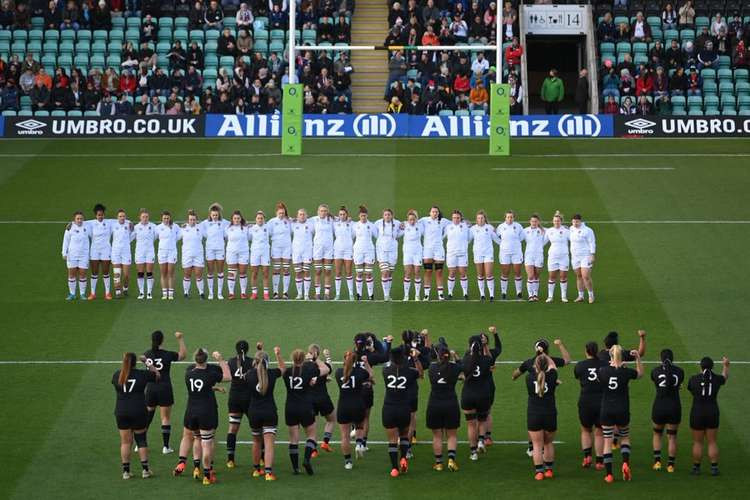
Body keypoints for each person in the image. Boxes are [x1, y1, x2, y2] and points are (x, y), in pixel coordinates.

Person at [173, 348, 231, 486]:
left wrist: (215, 388)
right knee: (207, 443)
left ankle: (195, 467)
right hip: (206, 412)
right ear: (206, 359)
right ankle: (207, 474)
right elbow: (228, 377)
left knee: (195, 438)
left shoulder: (188, 373)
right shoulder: (210, 374)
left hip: (191, 411)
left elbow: (201, 386)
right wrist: (220, 359)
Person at [599, 344, 643, 483]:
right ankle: (625, 463)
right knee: (624, 437)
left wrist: (613, 365)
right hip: (622, 409)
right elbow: (640, 374)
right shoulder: (626, 372)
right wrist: (637, 359)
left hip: (607, 409)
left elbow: (602, 378)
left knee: (607, 441)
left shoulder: (603, 371)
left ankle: (609, 475)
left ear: (610, 356)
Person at [281, 347, 329, 475]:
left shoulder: (287, 372)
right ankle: (307, 460)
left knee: (293, 439)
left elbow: (281, 369)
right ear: (303, 358)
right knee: (311, 436)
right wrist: (314, 358)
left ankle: (296, 469)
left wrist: (278, 355)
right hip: (305, 407)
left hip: (290, 408)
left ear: (293, 359)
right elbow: (326, 369)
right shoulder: (309, 369)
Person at [112, 352, 160, 479]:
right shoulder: (141, 374)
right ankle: (145, 470)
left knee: (125, 442)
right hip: (138, 410)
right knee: (141, 440)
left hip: (121, 411)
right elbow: (157, 375)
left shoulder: (117, 375)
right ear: (135, 363)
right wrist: (147, 362)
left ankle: (126, 472)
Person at [144, 330, 187, 454]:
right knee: (165, 418)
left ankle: (140, 443)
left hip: (151, 388)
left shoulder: (146, 354)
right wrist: (180, 339)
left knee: (148, 414)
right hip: (164, 388)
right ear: (162, 340)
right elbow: (183, 355)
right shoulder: (167, 354)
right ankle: (166, 447)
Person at [382, 345, 423, 477]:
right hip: (404, 408)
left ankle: (394, 469)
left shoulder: (385, 371)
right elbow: (420, 373)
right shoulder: (409, 372)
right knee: (404, 435)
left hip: (389, 408)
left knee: (392, 439)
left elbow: (388, 365)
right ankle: (403, 457)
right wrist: (415, 359)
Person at [462, 328, 502, 460]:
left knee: (471, 424)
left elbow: (461, 372)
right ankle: (481, 441)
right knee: (482, 419)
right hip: (483, 395)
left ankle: (473, 453)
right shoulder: (487, 360)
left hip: (468, 395)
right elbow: (492, 358)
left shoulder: (466, 359)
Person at [247, 345, 284, 480]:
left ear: (255, 362)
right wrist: (278, 355)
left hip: (254, 412)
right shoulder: (272, 374)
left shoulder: (249, 375)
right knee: (268, 443)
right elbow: (283, 369)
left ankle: (256, 470)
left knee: (256, 441)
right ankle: (268, 472)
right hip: (269, 411)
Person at [688, 356, 729, 476]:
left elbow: (691, 389)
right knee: (712, 442)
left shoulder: (694, 379)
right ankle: (714, 468)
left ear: (701, 367)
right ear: (712, 367)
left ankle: (696, 468)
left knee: (697, 442)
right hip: (712, 412)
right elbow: (724, 378)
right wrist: (726, 366)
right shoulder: (716, 379)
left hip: (697, 412)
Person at [426, 338, 462, 472]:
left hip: (434, 404)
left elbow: (431, 361)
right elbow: (462, 365)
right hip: (450, 403)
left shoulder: (432, 368)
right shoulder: (454, 368)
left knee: (437, 436)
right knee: (451, 435)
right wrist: (455, 356)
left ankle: (439, 463)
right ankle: (451, 460)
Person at [335, 350, 373, 469]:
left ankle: (348, 462)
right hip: (357, 404)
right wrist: (366, 363)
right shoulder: (360, 372)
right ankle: (359, 444)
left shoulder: (338, 372)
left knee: (344, 436)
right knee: (360, 426)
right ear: (355, 361)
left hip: (343, 406)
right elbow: (370, 375)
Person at [526, 351, 560, 480]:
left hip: (534, 414)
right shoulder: (552, 376)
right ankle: (549, 470)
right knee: (548, 443)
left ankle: (539, 472)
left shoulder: (529, 378)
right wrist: (545, 355)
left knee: (537, 445)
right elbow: (553, 366)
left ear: (536, 365)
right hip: (550, 413)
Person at [651, 349, 685, 472]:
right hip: (674, 407)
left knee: (657, 434)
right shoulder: (680, 372)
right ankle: (670, 465)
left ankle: (657, 462)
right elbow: (678, 384)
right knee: (672, 437)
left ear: (660, 358)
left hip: (659, 406)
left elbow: (657, 382)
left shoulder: (655, 371)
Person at [574, 342, 607, 470]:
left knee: (586, 430)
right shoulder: (604, 364)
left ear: (586, 351)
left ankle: (587, 457)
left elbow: (578, 377)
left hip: (585, 401)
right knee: (599, 432)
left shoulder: (580, 366)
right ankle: (599, 461)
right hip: (601, 402)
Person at [225, 340, 252, 468]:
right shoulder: (252, 362)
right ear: (247, 350)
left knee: (232, 428)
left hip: (234, 398)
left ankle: (230, 460)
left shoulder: (230, 362)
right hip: (249, 399)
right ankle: (262, 459)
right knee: (257, 429)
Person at [307, 345, 336, 456]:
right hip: (323, 398)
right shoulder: (323, 366)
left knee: (312, 425)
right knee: (331, 419)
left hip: (310, 400)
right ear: (318, 354)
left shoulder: (305, 366)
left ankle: (313, 450)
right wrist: (328, 356)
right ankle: (325, 442)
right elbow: (330, 368)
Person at [419, 206, 450, 300]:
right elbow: (413, 221)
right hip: (427, 249)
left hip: (439, 249)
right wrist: (403, 224)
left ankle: (440, 294)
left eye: (436, 212)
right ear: (429, 213)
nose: (435, 213)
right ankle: (426, 294)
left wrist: (466, 222)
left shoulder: (443, 221)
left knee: (439, 271)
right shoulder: (424, 220)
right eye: (433, 211)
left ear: (438, 213)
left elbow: (454, 223)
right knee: (428, 271)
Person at [199, 204, 229, 300]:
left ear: (219, 214)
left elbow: (235, 223)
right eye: (213, 215)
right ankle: (211, 293)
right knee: (210, 272)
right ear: (210, 215)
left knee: (220, 271)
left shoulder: (224, 222)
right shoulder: (205, 223)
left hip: (220, 249)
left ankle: (219, 293)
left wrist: (246, 224)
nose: (215, 216)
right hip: (209, 249)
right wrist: (185, 225)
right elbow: (195, 226)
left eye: (216, 215)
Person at [86, 204, 114, 300]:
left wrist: (129, 223)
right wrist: (71, 224)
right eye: (98, 215)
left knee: (106, 272)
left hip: (106, 249)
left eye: (102, 215)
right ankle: (92, 293)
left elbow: (122, 221)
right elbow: (79, 222)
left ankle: (107, 293)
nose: (100, 216)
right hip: (94, 250)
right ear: (95, 215)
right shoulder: (90, 223)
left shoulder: (109, 222)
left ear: (104, 214)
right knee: (94, 272)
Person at [470, 210, 499, 301]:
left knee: (489, 274)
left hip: (488, 254)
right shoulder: (473, 229)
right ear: (476, 219)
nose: (480, 219)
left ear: (485, 219)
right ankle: (482, 294)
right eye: (478, 218)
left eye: (482, 218)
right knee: (480, 274)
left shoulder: (490, 228)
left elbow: (497, 239)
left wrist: (506, 244)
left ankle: (491, 295)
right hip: (477, 253)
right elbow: (467, 240)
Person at [374, 208, 403, 301]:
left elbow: (401, 231)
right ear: (383, 216)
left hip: (393, 251)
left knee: (390, 273)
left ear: (392, 215)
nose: (387, 216)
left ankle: (388, 294)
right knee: (385, 272)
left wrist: (404, 226)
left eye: (389, 214)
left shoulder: (397, 223)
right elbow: (374, 233)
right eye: (385, 214)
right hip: (382, 251)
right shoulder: (378, 223)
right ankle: (386, 295)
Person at [496, 210, 525, 300]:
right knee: (505, 273)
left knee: (517, 272)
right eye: (508, 217)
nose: (509, 219)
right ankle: (504, 292)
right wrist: (503, 245)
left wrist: (515, 244)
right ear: (505, 218)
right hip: (504, 253)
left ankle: (519, 292)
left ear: (514, 218)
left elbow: (522, 237)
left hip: (516, 252)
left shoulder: (518, 226)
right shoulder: (501, 227)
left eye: (511, 217)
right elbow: (497, 237)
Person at [62, 211, 91, 300]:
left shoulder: (88, 226)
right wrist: (64, 252)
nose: (79, 220)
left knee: (83, 274)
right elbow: (65, 241)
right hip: (72, 255)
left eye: (81, 218)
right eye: (77, 219)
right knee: (71, 274)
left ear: (83, 219)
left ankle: (82, 294)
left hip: (84, 255)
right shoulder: (70, 228)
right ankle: (72, 294)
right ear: (74, 220)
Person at [444, 210, 472, 300]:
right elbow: (441, 237)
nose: (456, 219)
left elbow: (470, 237)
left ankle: (465, 293)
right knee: (452, 273)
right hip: (451, 254)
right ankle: (450, 293)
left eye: (458, 218)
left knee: (463, 273)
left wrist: (465, 245)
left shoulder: (466, 226)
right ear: (452, 218)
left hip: (462, 254)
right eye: (454, 218)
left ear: (461, 218)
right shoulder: (448, 227)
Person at [310, 204, 336, 300]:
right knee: (317, 271)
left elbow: (342, 220)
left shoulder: (332, 220)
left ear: (327, 212)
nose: (323, 212)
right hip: (317, 249)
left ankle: (327, 293)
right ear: (318, 211)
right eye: (321, 210)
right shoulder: (313, 220)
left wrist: (348, 219)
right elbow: (302, 221)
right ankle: (317, 294)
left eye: (325, 211)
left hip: (329, 248)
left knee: (328, 271)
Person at [267, 202, 292, 299]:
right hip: (276, 247)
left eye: (283, 213)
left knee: (286, 269)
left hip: (287, 247)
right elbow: (266, 234)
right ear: (276, 213)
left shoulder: (289, 221)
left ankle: (285, 292)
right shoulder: (272, 222)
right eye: (280, 213)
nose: (281, 215)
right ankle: (275, 292)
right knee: (276, 269)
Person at [352, 205, 378, 300]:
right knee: (359, 273)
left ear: (367, 216)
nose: (363, 217)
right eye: (362, 215)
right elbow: (350, 237)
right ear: (359, 216)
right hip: (358, 251)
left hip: (369, 251)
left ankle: (371, 294)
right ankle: (359, 294)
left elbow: (377, 237)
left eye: (365, 215)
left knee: (368, 273)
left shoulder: (371, 225)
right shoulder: (355, 225)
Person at [156, 211, 182, 300]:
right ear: (161, 219)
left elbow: (179, 236)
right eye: (164, 218)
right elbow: (154, 237)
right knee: (163, 273)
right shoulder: (158, 228)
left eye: (167, 218)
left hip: (172, 252)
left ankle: (170, 294)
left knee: (171, 273)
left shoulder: (175, 226)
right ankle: (164, 293)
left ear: (170, 218)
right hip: (162, 252)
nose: (166, 220)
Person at [224, 210, 250, 300]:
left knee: (242, 272)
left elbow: (250, 237)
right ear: (232, 219)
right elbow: (224, 237)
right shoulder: (227, 228)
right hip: (231, 252)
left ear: (241, 219)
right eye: (235, 218)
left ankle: (243, 292)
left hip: (244, 252)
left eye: (238, 218)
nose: (236, 220)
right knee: (231, 272)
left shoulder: (246, 228)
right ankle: (231, 293)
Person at [181, 210, 206, 299]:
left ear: (196, 220)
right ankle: (186, 293)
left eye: (194, 219)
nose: (192, 221)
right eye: (191, 219)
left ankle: (201, 293)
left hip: (198, 255)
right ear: (188, 220)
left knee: (199, 274)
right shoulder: (183, 229)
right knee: (187, 275)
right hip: (186, 255)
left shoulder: (201, 228)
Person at [546, 211, 570, 302]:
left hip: (564, 257)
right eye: (555, 221)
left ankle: (563, 296)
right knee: (552, 276)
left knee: (563, 276)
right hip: (552, 257)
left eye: (558, 221)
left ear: (561, 221)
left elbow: (574, 240)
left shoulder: (566, 231)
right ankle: (550, 296)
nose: (556, 222)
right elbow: (543, 241)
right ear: (553, 221)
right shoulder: (549, 231)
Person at [333, 206, 356, 300]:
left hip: (348, 250)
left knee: (349, 272)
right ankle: (337, 294)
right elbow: (328, 216)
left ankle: (351, 294)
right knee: (338, 272)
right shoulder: (334, 223)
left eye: (344, 214)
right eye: (340, 214)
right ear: (338, 215)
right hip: (337, 250)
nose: (342, 216)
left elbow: (354, 235)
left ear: (347, 215)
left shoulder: (352, 224)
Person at [523, 214, 547, 302]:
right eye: (532, 221)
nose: (534, 223)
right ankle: (530, 295)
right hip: (528, 255)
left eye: (536, 221)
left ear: (538, 222)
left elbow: (554, 230)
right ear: (530, 222)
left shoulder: (543, 231)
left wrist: (565, 227)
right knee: (530, 276)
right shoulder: (525, 231)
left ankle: (535, 294)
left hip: (539, 255)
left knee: (536, 276)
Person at [291, 208, 314, 300]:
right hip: (296, 251)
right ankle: (300, 293)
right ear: (297, 216)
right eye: (300, 214)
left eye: (304, 214)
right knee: (298, 272)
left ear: (307, 215)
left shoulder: (312, 224)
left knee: (306, 271)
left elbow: (321, 218)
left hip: (307, 251)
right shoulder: (292, 224)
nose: (302, 216)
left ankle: (306, 295)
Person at [401, 210, 424, 301]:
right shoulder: (404, 225)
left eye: (414, 219)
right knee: (407, 273)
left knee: (417, 272)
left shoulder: (421, 225)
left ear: (416, 219)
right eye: (410, 219)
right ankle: (406, 295)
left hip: (418, 252)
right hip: (407, 253)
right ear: (407, 219)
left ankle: (417, 295)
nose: (412, 221)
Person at [134, 209, 157, 300]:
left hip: (150, 252)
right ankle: (141, 292)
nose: (145, 218)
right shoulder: (136, 227)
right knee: (140, 273)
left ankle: (149, 293)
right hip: (139, 252)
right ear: (140, 217)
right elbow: (131, 237)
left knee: (149, 272)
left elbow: (157, 236)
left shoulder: (153, 226)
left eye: (146, 217)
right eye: (143, 217)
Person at [111, 209, 134, 298]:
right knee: (117, 273)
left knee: (126, 275)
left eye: (123, 216)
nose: (122, 218)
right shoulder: (112, 225)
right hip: (115, 252)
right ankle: (117, 292)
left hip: (126, 252)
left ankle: (125, 289)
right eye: (120, 216)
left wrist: (128, 241)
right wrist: (73, 223)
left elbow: (134, 232)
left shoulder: (128, 224)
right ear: (117, 217)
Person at [248, 211, 271, 300]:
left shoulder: (268, 227)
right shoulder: (251, 229)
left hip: (265, 252)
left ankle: (266, 294)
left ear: (264, 219)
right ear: (255, 219)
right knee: (254, 273)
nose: (260, 220)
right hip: (255, 252)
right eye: (258, 218)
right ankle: (254, 293)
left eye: (261, 218)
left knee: (265, 273)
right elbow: (248, 238)